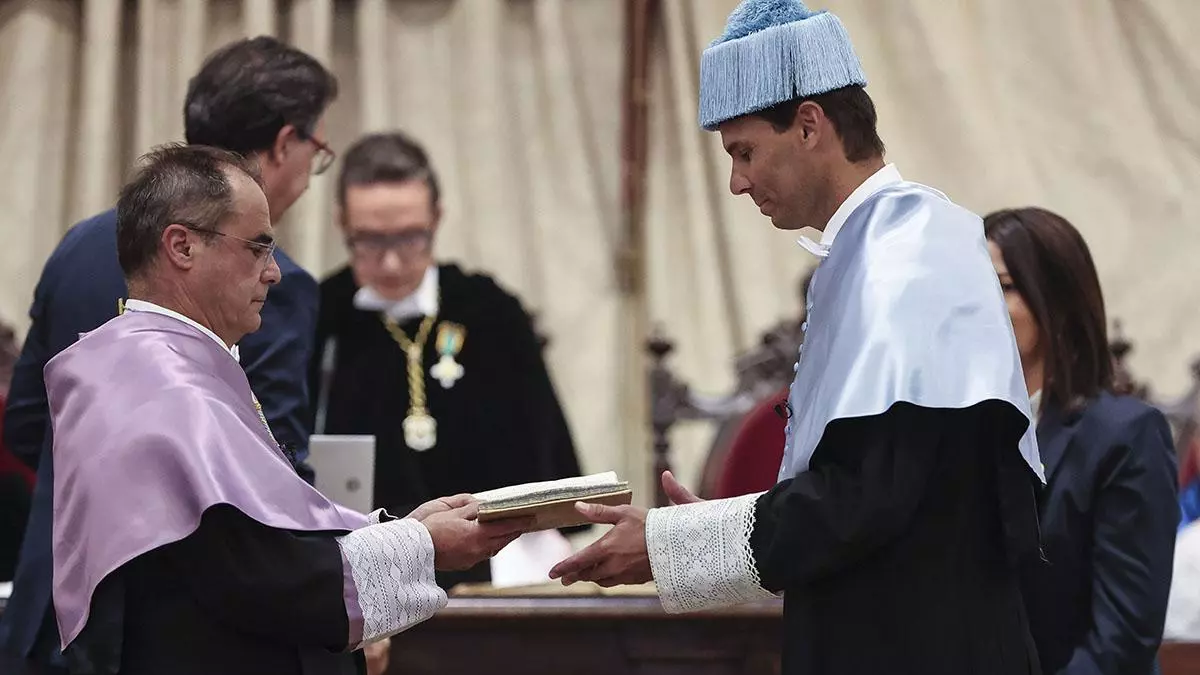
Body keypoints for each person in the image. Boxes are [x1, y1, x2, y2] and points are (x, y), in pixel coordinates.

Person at [549, 2, 1046, 674]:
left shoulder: (906, 257)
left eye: (745, 151)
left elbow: (863, 499)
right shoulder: (881, 246)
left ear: (809, 125)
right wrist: (722, 528)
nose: (737, 181)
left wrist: (679, 543)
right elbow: (865, 480)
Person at [45, 144, 529, 675]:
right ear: (182, 247)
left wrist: (402, 530)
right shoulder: (171, 391)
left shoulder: (135, 361)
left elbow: (267, 534)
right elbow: (266, 574)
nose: (273, 272)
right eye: (256, 247)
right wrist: (424, 547)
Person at [0, 36, 338, 672]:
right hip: (177, 636)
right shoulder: (276, 286)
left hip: (45, 618)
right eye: (316, 152)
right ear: (286, 142)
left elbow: (26, 425)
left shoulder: (78, 246)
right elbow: (274, 477)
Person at [310, 131, 586, 589]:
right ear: (342, 223)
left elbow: (535, 446)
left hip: (493, 562)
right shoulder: (321, 316)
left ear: (436, 218)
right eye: (370, 241)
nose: (393, 263)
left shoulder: (489, 309)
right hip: (361, 565)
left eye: (411, 238)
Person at [985, 207, 1178, 675]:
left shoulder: (1126, 436)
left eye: (1005, 286)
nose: (982, 302)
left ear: (1059, 299)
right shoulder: (953, 430)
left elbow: (1123, 639)